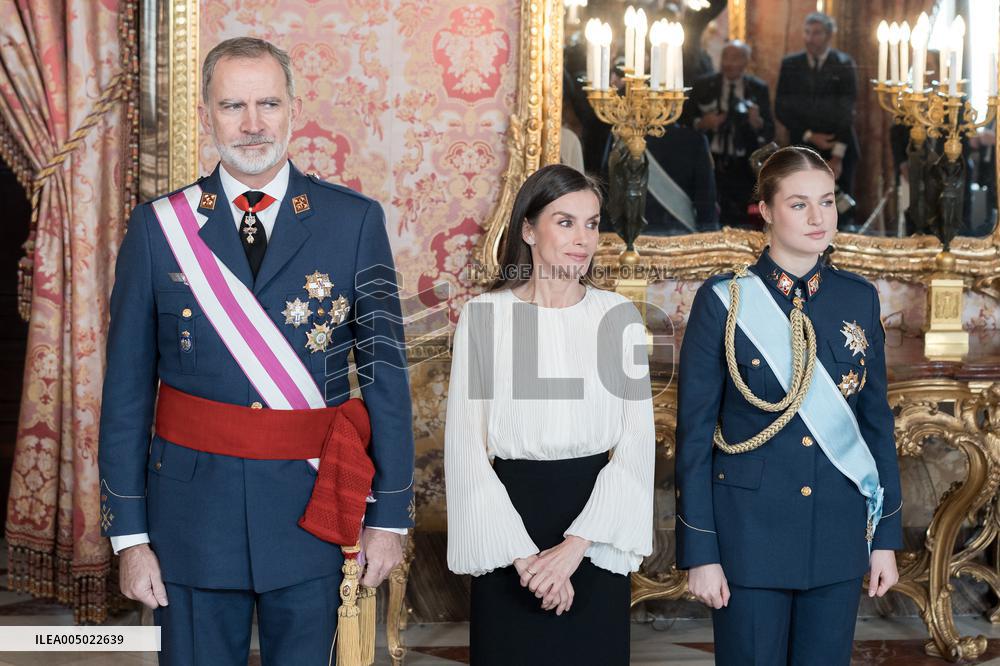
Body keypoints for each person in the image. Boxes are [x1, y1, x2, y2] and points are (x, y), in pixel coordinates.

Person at [98, 37, 414, 665]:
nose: (251, 125)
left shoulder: (352, 222)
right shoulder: (158, 229)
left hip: (312, 510)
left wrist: (390, 517)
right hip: (190, 518)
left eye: (267, 104)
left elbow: (385, 377)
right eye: (232, 105)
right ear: (207, 114)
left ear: (294, 109)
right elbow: (127, 392)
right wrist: (129, 536)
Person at [674, 146, 902, 665]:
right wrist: (701, 551)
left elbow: (875, 427)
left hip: (838, 531)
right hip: (748, 537)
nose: (818, 217)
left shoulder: (858, 298)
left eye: (827, 202)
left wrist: (884, 536)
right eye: (799, 204)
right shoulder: (724, 300)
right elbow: (693, 439)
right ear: (766, 210)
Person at [445, 164, 655, 665]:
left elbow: (635, 448)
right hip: (507, 529)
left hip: (594, 536)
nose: (583, 239)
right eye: (565, 222)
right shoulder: (483, 318)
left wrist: (572, 550)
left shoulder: (618, 318)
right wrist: (526, 560)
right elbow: (465, 450)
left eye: (592, 223)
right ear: (528, 229)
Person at [775, 12, 859, 228]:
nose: (810, 38)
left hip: (838, 147)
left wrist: (838, 157)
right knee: (800, 207)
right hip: (802, 146)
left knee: (838, 210)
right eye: (807, 32)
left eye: (817, 33)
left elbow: (847, 112)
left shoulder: (844, 63)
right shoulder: (791, 63)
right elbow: (781, 108)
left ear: (829, 35)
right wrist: (810, 135)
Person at [688, 40, 775, 228]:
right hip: (711, 161)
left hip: (744, 165)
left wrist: (756, 122)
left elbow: (769, 131)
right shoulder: (704, 85)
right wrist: (703, 123)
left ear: (746, 62)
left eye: (735, 58)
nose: (728, 63)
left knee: (743, 219)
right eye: (725, 57)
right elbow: (686, 122)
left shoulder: (758, 88)